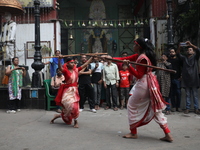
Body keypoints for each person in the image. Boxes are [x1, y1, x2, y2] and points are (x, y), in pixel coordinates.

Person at [113, 37, 173, 142]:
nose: (133, 46)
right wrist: (109, 58)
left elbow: (139, 75)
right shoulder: (140, 56)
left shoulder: (142, 58)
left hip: (144, 84)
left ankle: (133, 132)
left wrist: (129, 66)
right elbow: (123, 59)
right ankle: (167, 134)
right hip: (150, 84)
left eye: (134, 44)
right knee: (155, 109)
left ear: (138, 46)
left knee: (131, 105)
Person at [50, 56, 94, 128]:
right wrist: (59, 59)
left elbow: (85, 64)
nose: (73, 64)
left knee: (75, 107)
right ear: (67, 64)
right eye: (71, 63)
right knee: (69, 106)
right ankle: (59, 116)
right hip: (67, 91)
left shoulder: (76, 70)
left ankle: (76, 122)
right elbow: (60, 67)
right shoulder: (65, 71)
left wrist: (92, 58)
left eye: (73, 62)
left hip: (74, 91)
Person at [176, 41, 200, 114]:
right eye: (188, 49)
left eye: (190, 50)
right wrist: (179, 47)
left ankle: (196, 108)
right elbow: (178, 54)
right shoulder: (184, 58)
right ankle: (188, 108)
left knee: (195, 95)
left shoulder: (195, 57)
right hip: (186, 80)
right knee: (187, 95)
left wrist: (191, 44)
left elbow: (199, 50)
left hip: (194, 79)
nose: (189, 51)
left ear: (193, 52)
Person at [168, 48, 182, 112]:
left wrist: (181, 76)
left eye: (173, 52)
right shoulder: (168, 60)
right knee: (172, 93)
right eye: (171, 52)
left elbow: (182, 68)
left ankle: (178, 106)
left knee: (178, 93)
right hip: (170, 78)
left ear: (175, 52)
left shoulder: (178, 60)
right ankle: (173, 106)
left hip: (177, 78)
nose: (172, 53)